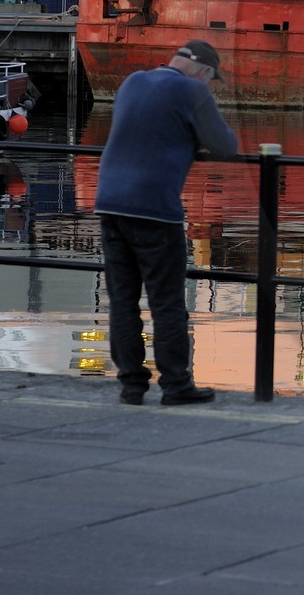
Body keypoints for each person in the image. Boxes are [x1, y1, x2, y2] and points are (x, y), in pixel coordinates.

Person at [94, 40, 238, 406]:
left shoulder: (133, 81)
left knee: (122, 301)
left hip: (109, 203)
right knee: (167, 303)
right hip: (155, 208)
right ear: (204, 72)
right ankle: (175, 386)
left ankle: (131, 386)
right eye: (211, 79)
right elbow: (225, 146)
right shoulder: (192, 90)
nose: (208, 85)